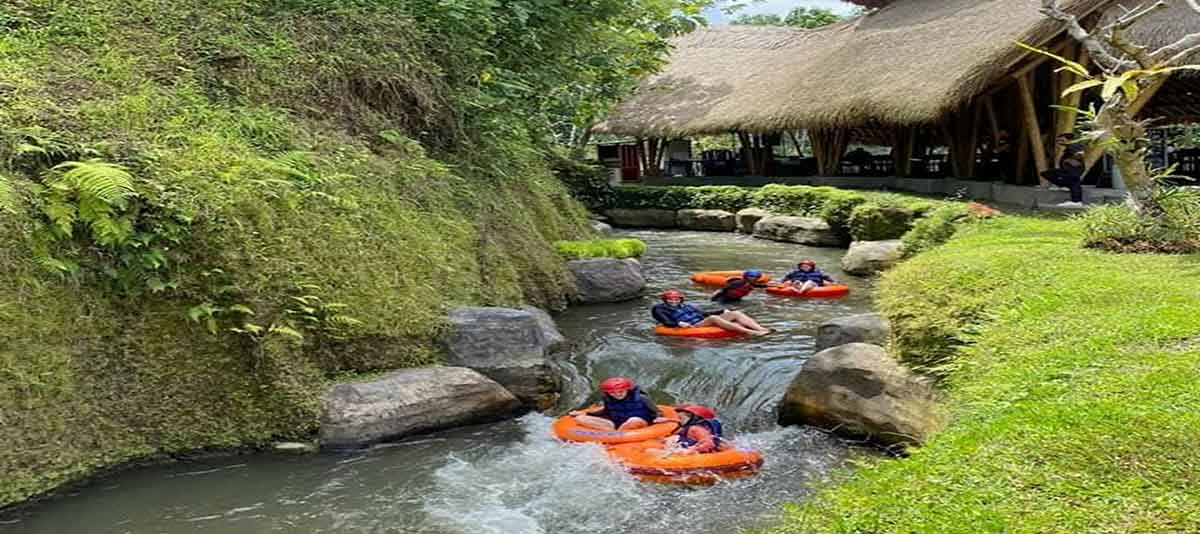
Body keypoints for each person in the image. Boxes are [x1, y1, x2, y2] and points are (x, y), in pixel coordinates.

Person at [570, 377, 671, 431]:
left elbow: (657, 412)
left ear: (627, 390)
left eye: (620, 392)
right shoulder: (608, 399)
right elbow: (605, 412)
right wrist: (586, 414)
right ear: (608, 393)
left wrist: (659, 418)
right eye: (613, 393)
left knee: (633, 420)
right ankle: (614, 435)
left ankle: (614, 437)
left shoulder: (642, 398)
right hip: (617, 425)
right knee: (580, 419)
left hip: (640, 424)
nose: (617, 395)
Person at [652, 290, 770, 336]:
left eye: (676, 299)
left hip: (701, 321)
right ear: (665, 300)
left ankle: (761, 329)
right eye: (671, 299)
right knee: (713, 318)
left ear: (680, 299)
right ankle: (750, 332)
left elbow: (703, 314)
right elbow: (665, 322)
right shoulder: (659, 309)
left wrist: (722, 311)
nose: (674, 301)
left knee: (736, 313)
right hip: (691, 326)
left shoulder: (686, 305)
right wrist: (678, 323)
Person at [1041, 133, 1085, 207]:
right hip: (1067, 169)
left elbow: (1080, 153)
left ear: (1069, 139)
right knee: (1047, 173)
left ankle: (1076, 201)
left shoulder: (1074, 145)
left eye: (1062, 140)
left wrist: (1072, 159)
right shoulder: (1068, 147)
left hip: (1073, 169)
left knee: (1074, 182)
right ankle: (1064, 186)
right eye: (1058, 140)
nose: (1059, 142)